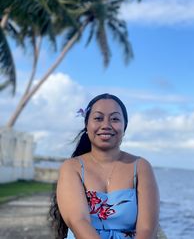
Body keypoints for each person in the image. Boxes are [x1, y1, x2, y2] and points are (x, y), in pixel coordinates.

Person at [49, 93, 160, 239]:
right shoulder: (72, 167)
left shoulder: (140, 167)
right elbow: (79, 222)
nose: (106, 125)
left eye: (114, 119)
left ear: (124, 127)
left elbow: (146, 229)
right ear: (87, 125)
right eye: (98, 118)